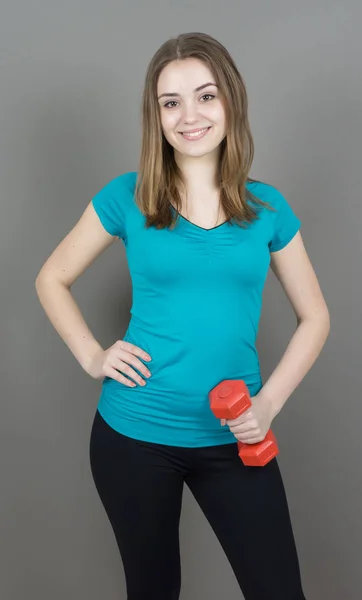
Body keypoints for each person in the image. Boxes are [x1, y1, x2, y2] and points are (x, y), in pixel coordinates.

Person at [35, 32, 330, 600]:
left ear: (230, 103)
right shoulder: (128, 196)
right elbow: (51, 277)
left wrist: (267, 404)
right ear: (156, 115)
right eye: (171, 102)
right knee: (153, 591)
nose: (188, 116)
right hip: (133, 437)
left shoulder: (268, 208)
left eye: (205, 96)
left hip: (236, 437)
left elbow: (315, 316)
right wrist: (94, 355)